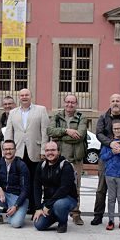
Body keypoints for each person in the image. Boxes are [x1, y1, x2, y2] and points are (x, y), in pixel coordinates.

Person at [92, 94, 120, 227]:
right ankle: (98, 216)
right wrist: (111, 143)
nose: (115, 103)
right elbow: (99, 133)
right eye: (113, 101)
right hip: (107, 154)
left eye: (118, 101)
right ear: (110, 103)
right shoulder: (103, 117)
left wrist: (119, 144)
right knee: (101, 188)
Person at [4, 88, 49, 214]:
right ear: (19, 97)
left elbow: (45, 131)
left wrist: (43, 150)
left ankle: (35, 207)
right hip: (17, 151)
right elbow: (9, 131)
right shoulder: (13, 112)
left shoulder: (41, 110)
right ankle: (21, 205)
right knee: (19, 180)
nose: (24, 97)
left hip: (35, 151)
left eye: (26, 95)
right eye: (22, 95)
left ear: (31, 96)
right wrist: (8, 149)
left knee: (35, 180)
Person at [46, 94, 87, 226]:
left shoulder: (82, 117)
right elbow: (50, 131)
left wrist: (60, 136)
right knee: (58, 186)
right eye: (68, 102)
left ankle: (76, 214)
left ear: (76, 104)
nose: (70, 105)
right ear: (64, 103)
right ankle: (58, 212)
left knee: (76, 187)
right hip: (59, 160)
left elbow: (80, 136)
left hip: (75, 159)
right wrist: (67, 131)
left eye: (73, 102)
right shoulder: (57, 116)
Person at [0, 139, 29, 228]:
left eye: (10, 149)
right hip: (3, 196)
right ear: (2, 151)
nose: (8, 151)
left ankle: (15, 212)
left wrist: (16, 205)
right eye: (6, 149)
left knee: (16, 223)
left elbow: (25, 189)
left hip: (17, 198)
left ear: (15, 150)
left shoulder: (21, 165)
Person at [32, 141, 78, 233]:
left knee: (59, 205)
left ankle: (62, 222)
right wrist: (38, 208)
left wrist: (48, 206)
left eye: (53, 150)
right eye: (47, 150)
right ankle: (57, 215)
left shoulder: (66, 165)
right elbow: (36, 187)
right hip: (49, 201)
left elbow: (64, 189)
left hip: (67, 199)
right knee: (39, 225)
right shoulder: (41, 165)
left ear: (58, 152)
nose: (50, 153)